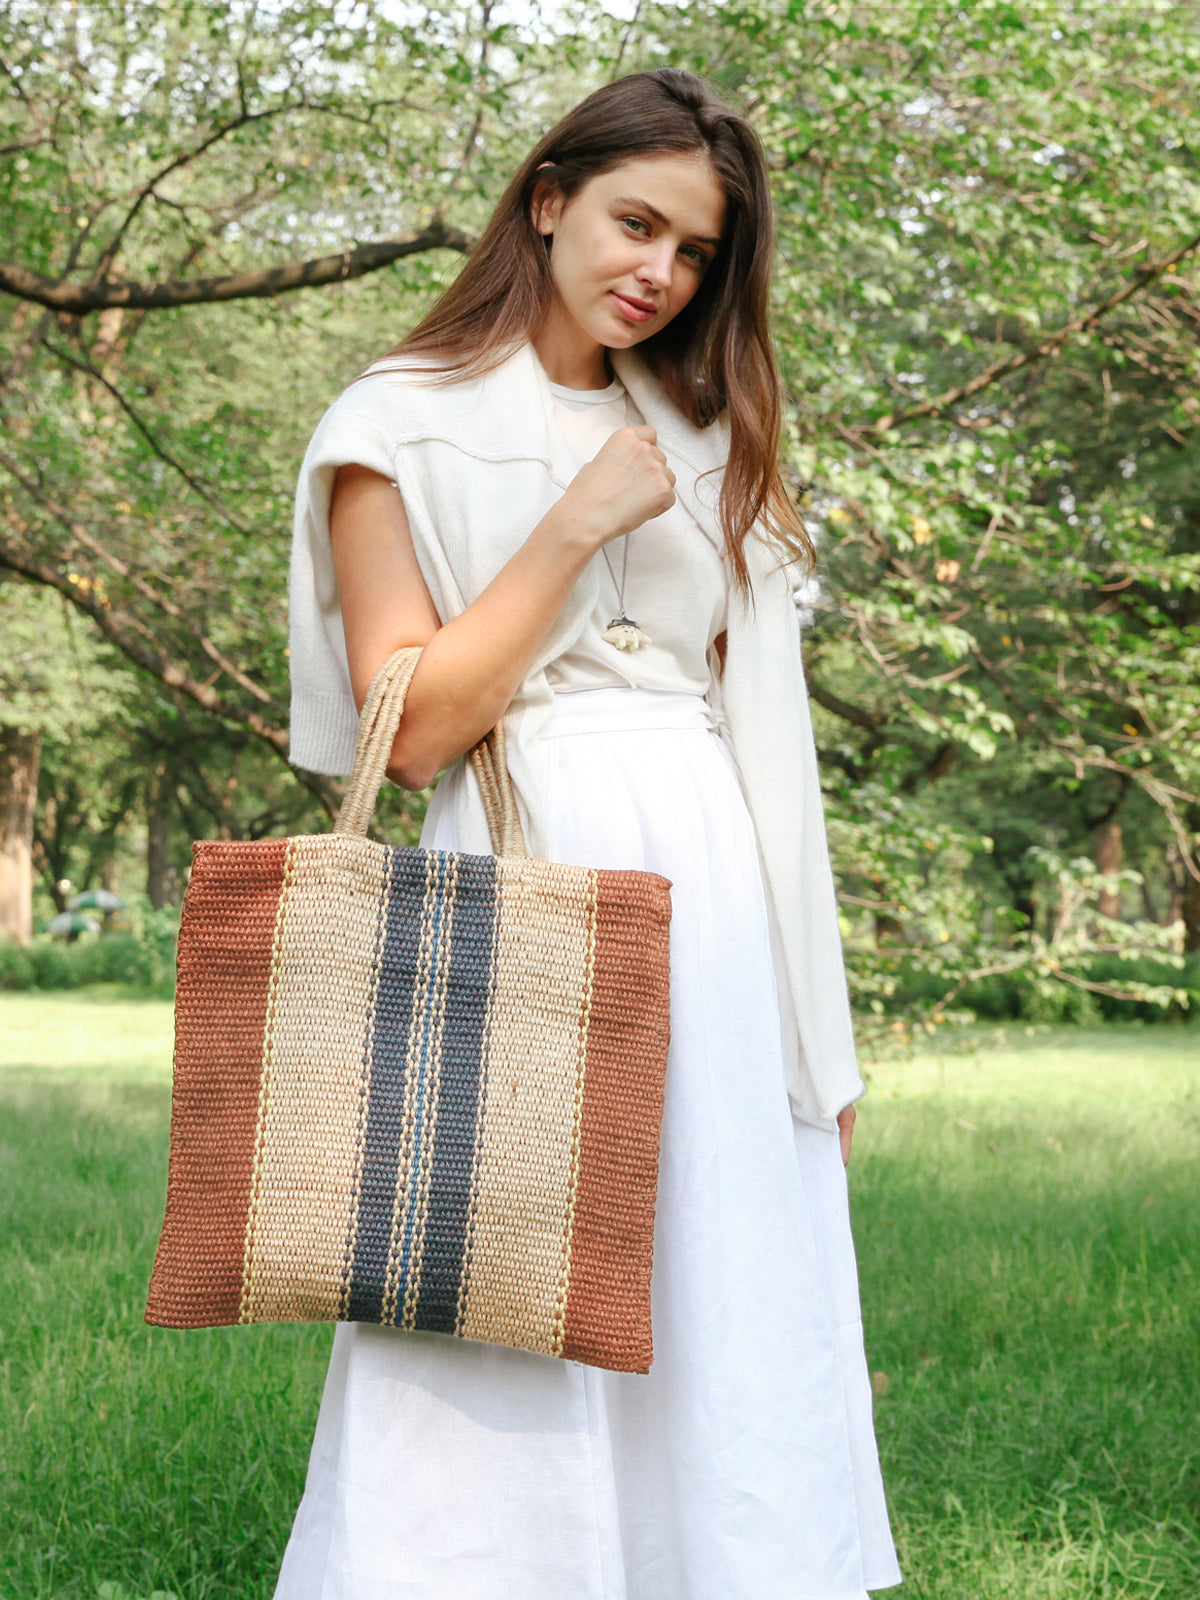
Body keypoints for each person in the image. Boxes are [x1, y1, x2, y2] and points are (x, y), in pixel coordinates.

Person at [280, 67, 901, 1600]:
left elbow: (773, 746)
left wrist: (818, 1043)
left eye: (694, 253)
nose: (660, 275)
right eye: (637, 224)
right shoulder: (395, 425)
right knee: (489, 1269)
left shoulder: (704, 434)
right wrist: (569, 527)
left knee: (720, 1272)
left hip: (717, 892)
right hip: (521, 865)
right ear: (547, 199)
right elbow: (408, 727)